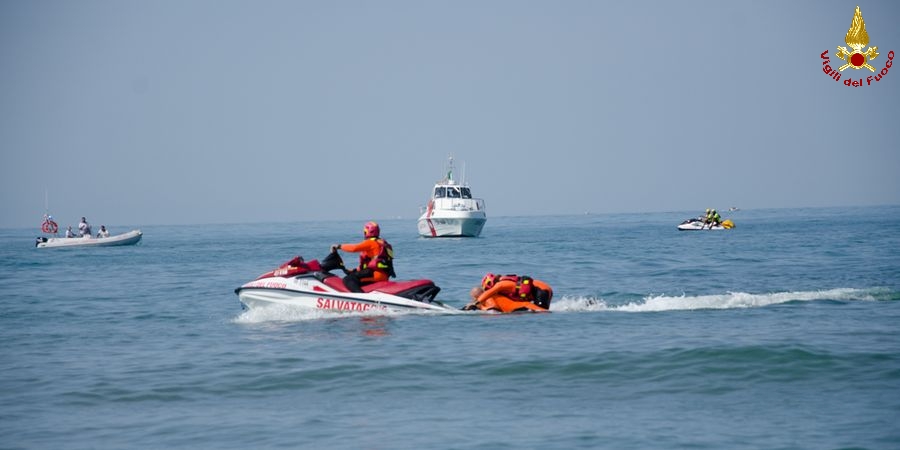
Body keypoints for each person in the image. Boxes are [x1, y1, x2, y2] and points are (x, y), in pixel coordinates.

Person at [331, 221, 395, 292]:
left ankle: (361, 298)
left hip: (375, 274)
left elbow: (354, 248)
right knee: (353, 276)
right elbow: (368, 263)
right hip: (383, 275)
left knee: (348, 279)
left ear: (367, 232)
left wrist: (339, 246)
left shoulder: (370, 242)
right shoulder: (382, 243)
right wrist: (353, 271)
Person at [464, 273, 553, 313]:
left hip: (541, 290)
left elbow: (489, 294)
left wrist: (475, 304)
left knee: (543, 313)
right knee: (543, 312)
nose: (488, 290)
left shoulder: (500, 285)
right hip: (542, 291)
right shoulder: (503, 287)